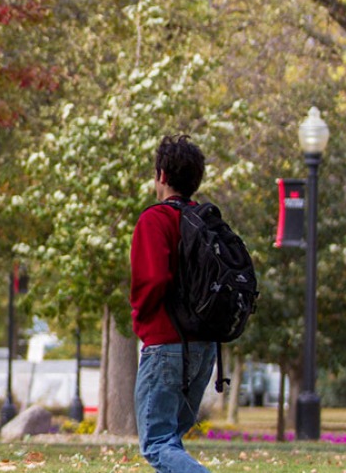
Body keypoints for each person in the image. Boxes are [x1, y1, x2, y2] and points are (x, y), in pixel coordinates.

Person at [131, 135, 217, 472]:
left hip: (166, 344)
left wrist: (140, 318)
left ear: (162, 175)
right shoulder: (205, 220)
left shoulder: (155, 219)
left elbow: (152, 280)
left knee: (156, 443)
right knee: (172, 440)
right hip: (204, 346)